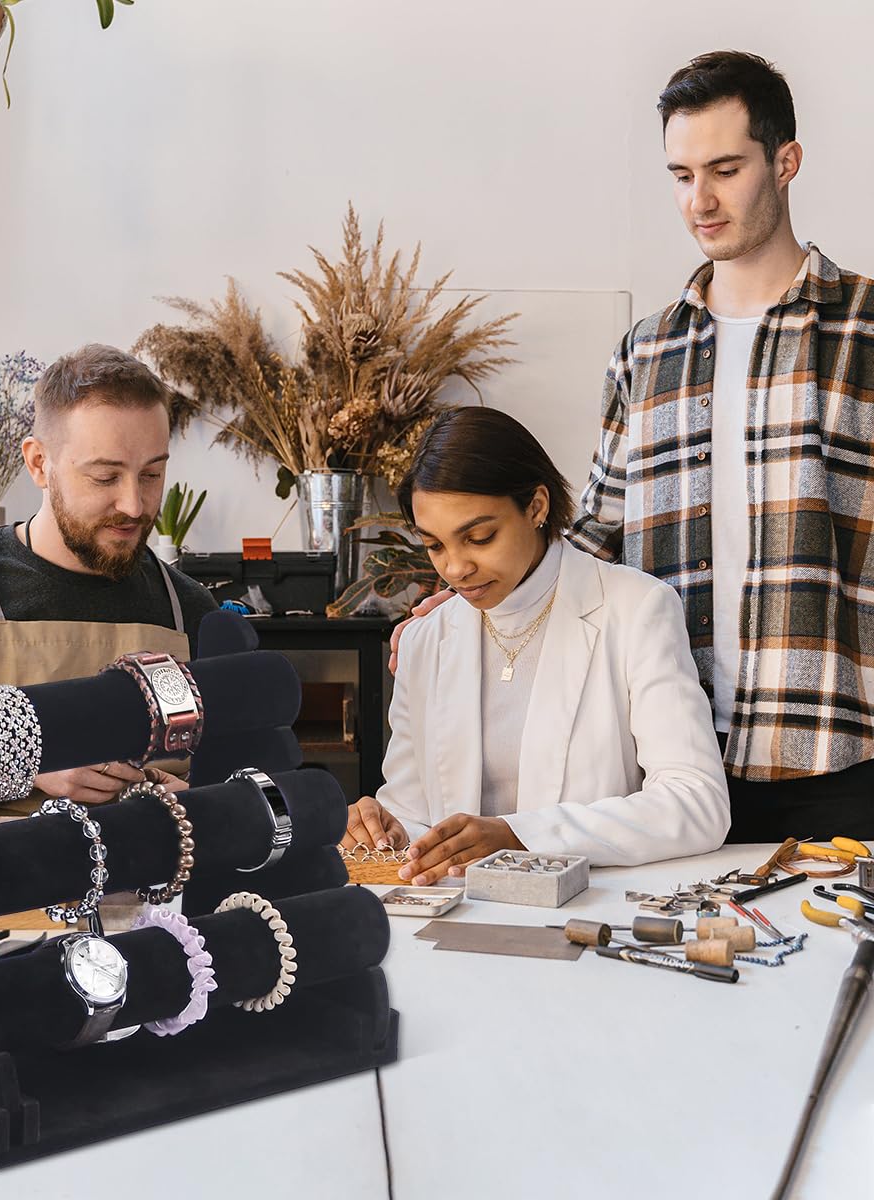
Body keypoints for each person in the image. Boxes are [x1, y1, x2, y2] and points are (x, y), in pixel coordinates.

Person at [392, 51, 874, 842]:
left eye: (725, 169)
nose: (701, 200)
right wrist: (463, 593)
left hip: (833, 752)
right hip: (666, 758)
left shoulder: (862, 328)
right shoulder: (645, 352)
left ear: (786, 163)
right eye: (681, 175)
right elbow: (589, 533)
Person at [345, 407, 729, 881]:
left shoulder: (636, 609)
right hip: (459, 923)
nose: (456, 568)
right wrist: (385, 828)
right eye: (435, 545)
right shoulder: (425, 638)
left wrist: (520, 836)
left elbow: (697, 803)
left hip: (589, 917)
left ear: (537, 507)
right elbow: (413, 813)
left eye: (479, 538)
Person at [0, 344, 217, 815]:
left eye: (151, 474)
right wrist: (22, 768)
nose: (134, 504)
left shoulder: (189, 609)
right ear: (38, 464)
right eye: (105, 477)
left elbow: (244, 786)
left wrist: (199, 800)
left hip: (154, 885)